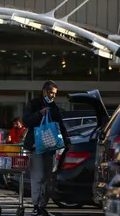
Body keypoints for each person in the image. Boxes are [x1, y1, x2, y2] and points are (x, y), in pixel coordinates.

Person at [22, 80, 71, 216]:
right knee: (37, 176)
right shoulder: (34, 104)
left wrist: (67, 140)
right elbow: (26, 121)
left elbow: (60, 124)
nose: (52, 96)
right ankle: (36, 205)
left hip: (50, 146)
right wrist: (39, 114)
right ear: (44, 91)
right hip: (35, 146)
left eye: (55, 94)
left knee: (48, 176)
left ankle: (43, 205)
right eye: (50, 93)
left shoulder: (54, 107)